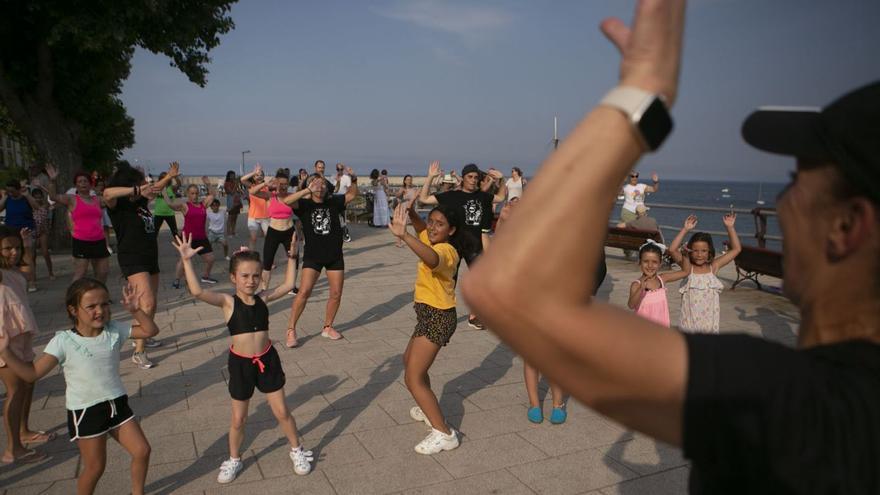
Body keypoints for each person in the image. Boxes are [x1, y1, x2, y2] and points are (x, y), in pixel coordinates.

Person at [462, 0, 880, 492]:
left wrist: (643, 96)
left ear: (848, 225)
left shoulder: (797, 404)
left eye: (795, 181)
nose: (783, 204)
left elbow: (507, 291)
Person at [172, 234, 313, 483]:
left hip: (267, 360)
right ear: (233, 278)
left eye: (256, 276)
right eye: (245, 276)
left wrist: (292, 256)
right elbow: (197, 291)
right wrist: (186, 261)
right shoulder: (228, 302)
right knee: (239, 418)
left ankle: (297, 450)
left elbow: (290, 282)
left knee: (281, 412)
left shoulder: (264, 298)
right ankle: (234, 458)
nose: (251, 281)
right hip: (241, 365)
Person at [0, 278, 158, 494]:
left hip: (117, 404)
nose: (99, 311)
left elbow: (150, 330)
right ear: (73, 310)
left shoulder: (114, 330)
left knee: (142, 450)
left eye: (104, 304)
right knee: (95, 467)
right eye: (91, 306)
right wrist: (5, 352)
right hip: (86, 411)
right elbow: (31, 374)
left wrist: (136, 310)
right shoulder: (63, 341)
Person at [388, 202, 470, 454]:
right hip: (427, 315)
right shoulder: (433, 238)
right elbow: (423, 230)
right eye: (432, 220)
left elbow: (432, 258)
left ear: (452, 230)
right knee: (409, 361)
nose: (433, 227)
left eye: (440, 224)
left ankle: (444, 433)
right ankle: (429, 407)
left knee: (413, 377)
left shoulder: (447, 251)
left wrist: (405, 235)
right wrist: (412, 212)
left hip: (438, 317)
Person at [105, 161, 178, 369]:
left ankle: (144, 335)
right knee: (146, 303)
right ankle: (139, 351)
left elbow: (154, 189)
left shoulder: (141, 205)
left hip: (149, 256)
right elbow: (108, 194)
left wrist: (169, 176)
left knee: (151, 302)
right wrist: (137, 188)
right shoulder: (119, 207)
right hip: (133, 258)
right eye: (140, 183)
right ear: (131, 185)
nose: (145, 186)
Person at [418, 161, 506, 329]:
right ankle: (442, 315)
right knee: (448, 281)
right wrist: (430, 177)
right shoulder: (452, 196)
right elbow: (423, 198)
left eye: (476, 177)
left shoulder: (484, 196)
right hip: (454, 244)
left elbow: (501, 197)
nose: (473, 180)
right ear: (463, 178)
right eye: (470, 177)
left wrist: (501, 180)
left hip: (475, 245)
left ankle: (474, 316)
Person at [286, 170, 359, 347]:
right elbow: (286, 201)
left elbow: (351, 195)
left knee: (336, 293)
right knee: (304, 292)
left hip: (334, 255)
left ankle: (327, 327)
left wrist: (354, 179)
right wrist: (306, 190)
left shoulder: (334, 201)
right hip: (313, 256)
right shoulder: (303, 204)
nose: (319, 186)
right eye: (314, 183)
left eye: (322, 183)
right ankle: (291, 329)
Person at [0, 226, 51, 465]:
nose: (13, 252)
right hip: (4, 341)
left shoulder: (13, 270)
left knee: (29, 383)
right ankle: (13, 449)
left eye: (15, 248)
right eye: (7, 248)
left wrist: (27, 245)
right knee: (15, 390)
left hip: (22, 335)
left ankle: (24, 430)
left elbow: (29, 272)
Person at [667, 214, 741, 333]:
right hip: (689, 325)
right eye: (695, 251)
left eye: (704, 251)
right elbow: (672, 250)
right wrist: (685, 229)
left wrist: (730, 227)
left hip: (709, 325)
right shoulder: (687, 267)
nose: (699, 254)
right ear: (690, 251)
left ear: (709, 252)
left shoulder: (713, 267)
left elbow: (736, 249)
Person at [46, 166, 110, 283]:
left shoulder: (97, 199)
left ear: (90, 184)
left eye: (85, 181)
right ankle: (73, 298)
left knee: (103, 272)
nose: (83, 183)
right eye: (79, 182)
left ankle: (101, 296)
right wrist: (52, 181)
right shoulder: (71, 199)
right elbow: (53, 197)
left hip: (99, 240)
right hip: (81, 241)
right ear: (76, 185)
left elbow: (112, 200)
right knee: (80, 273)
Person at [246, 170, 301, 293]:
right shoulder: (270, 196)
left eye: (285, 183)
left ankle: (291, 286)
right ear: (275, 184)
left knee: (294, 259)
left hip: (289, 232)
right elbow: (252, 192)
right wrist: (265, 183)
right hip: (273, 232)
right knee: (267, 262)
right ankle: (264, 289)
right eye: (280, 183)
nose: (283, 186)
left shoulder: (291, 196)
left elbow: (301, 203)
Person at [168, 178, 218, 288]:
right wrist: (164, 191)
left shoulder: (203, 204)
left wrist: (208, 184)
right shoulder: (185, 206)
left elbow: (213, 194)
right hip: (187, 239)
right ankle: (176, 280)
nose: (195, 196)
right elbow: (170, 204)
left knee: (210, 259)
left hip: (201, 238)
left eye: (196, 193)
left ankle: (205, 276)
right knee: (183, 260)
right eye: (192, 193)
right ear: (187, 194)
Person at [627, 240, 688, 328]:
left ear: (660, 264)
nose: (650, 265)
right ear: (639, 262)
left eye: (654, 262)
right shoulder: (636, 284)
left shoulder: (662, 279)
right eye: (646, 261)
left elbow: (685, 271)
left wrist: (685, 255)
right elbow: (631, 305)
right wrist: (640, 289)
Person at [0, 180, 39, 291]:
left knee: (28, 255)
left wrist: (27, 195)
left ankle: (32, 281)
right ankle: (16, 279)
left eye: (12, 191)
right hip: (11, 232)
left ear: (18, 189)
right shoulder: (7, 199)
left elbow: (36, 207)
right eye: (8, 191)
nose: (10, 193)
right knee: (13, 256)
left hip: (27, 230)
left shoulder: (25, 198)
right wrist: (4, 197)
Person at [619, 171, 660, 258]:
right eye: (632, 176)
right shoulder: (626, 187)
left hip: (641, 213)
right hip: (628, 212)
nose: (634, 178)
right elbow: (617, 193)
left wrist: (655, 182)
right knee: (629, 233)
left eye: (636, 176)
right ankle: (628, 250)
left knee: (642, 232)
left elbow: (654, 189)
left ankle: (638, 251)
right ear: (629, 178)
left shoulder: (642, 186)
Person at [240, 165, 269, 251]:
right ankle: (251, 256)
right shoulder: (251, 185)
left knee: (268, 239)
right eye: (257, 175)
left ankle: (269, 261)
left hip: (266, 217)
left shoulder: (267, 187)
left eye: (260, 175)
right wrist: (254, 172)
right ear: (253, 177)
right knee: (253, 239)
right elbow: (242, 180)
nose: (259, 176)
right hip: (253, 216)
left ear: (264, 177)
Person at [28, 187, 55, 281]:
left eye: (40, 197)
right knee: (32, 255)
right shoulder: (29, 206)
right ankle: (33, 275)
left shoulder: (45, 205)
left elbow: (52, 196)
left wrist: (41, 186)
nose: (38, 199)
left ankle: (51, 272)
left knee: (45, 252)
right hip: (32, 231)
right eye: (36, 197)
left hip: (43, 231)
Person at [328, 163, 353, 242]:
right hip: (334, 198)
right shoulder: (332, 177)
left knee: (342, 217)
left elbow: (349, 189)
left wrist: (346, 200)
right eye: (338, 169)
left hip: (342, 198)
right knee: (334, 217)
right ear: (336, 169)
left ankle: (345, 233)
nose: (340, 171)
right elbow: (330, 189)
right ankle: (335, 234)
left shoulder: (347, 178)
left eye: (341, 169)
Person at [151, 171, 181, 239]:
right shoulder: (157, 188)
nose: (165, 179)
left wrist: (175, 176)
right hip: (158, 213)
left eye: (166, 178)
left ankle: (182, 247)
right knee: (154, 234)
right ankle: (150, 247)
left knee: (175, 233)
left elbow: (179, 184)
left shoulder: (171, 188)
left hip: (170, 213)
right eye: (163, 178)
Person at [394, 175, 420, 248]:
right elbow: (397, 196)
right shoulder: (402, 188)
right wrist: (401, 193)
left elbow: (418, 197)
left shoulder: (414, 189)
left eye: (410, 179)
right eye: (408, 179)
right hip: (404, 208)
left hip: (413, 208)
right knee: (403, 225)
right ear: (404, 181)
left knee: (416, 224)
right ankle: (398, 242)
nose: (409, 181)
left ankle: (417, 241)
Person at [223, 170, 243, 237]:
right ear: (228, 176)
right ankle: (229, 233)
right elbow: (231, 192)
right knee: (230, 217)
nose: (233, 176)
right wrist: (236, 184)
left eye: (234, 175)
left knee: (235, 217)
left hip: (237, 201)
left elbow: (238, 191)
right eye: (231, 175)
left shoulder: (234, 182)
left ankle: (233, 231)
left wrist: (240, 191)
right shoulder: (227, 183)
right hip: (231, 201)